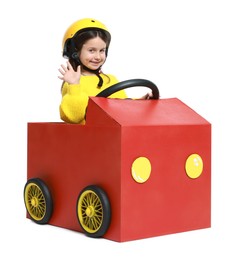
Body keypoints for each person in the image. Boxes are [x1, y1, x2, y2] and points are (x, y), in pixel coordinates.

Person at [58, 18, 151, 124]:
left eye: (102, 50)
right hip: (89, 138)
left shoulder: (110, 80)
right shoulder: (73, 83)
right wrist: (74, 85)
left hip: (113, 135)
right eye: (91, 50)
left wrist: (141, 102)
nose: (98, 56)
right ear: (75, 52)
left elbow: (122, 108)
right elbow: (74, 117)